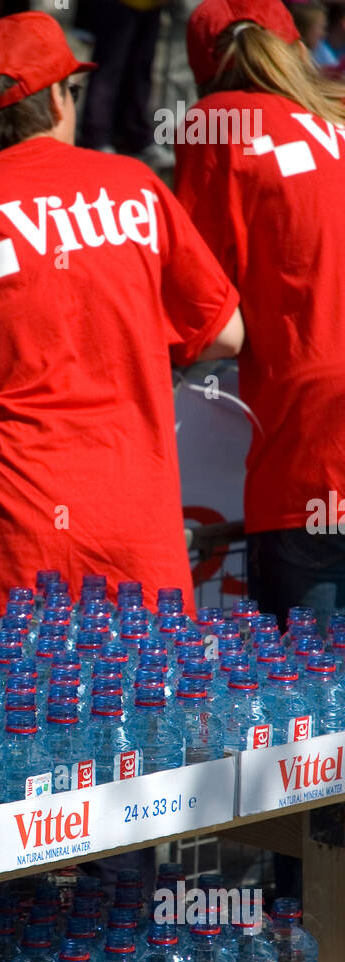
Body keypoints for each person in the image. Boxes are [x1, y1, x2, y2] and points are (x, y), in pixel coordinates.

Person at [0, 12, 244, 617]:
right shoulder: (136, 186)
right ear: (56, 102)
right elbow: (225, 334)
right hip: (131, 536)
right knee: (135, 710)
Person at [175, 0, 345, 631]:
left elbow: (201, 315)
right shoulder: (337, 115)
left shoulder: (219, 123)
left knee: (312, 712)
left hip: (315, 455)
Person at [78, 0, 175, 169]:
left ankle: (134, 135)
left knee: (141, 68)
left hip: (151, 6)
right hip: (118, 4)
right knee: (109, 68)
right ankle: (96, 138)